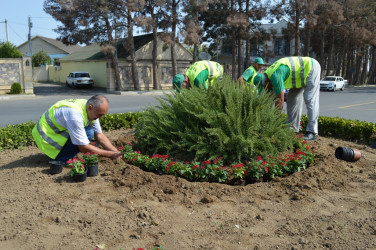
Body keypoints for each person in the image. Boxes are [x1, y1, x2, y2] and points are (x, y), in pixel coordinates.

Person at [32, 95, 122, 162]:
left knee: (90, 131)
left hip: (55, 133)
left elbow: (99, 135)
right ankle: (61, 159)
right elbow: (83, 147)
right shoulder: (74, 115)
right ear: (90, 107)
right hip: (46, 140)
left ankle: (64, 153)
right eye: (99, 114)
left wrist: (116, 152)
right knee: (89, 133)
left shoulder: (88, 107)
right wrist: (110, 154)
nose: (100, 118)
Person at [263, 56, 321, 141]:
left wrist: (275, 122)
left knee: (310, 99)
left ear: (267, 81)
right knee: (292, 99)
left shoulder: (275, 76)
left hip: (310, 68)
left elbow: (280, 100)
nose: (268, 89)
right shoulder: (268, 76)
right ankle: (292, 129)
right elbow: (269, 98)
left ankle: (312, 132)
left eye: (267, 87)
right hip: (298, 76)